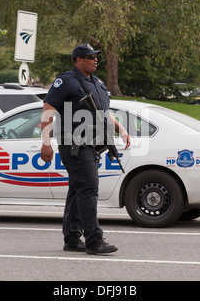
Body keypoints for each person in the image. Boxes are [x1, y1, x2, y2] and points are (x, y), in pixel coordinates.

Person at [40, 43, 130, 254]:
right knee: (89, 189)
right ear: (78, 60)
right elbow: (48, 110)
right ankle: (94, 240)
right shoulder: (66, 81)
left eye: (95, 56)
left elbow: (103, 112)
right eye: (90, 56)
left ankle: (72, 238)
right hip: (74, 144)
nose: (95, 59)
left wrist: (121, 129)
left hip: (93, 144)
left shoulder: (97, 82)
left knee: (78, 189)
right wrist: (45, 142)